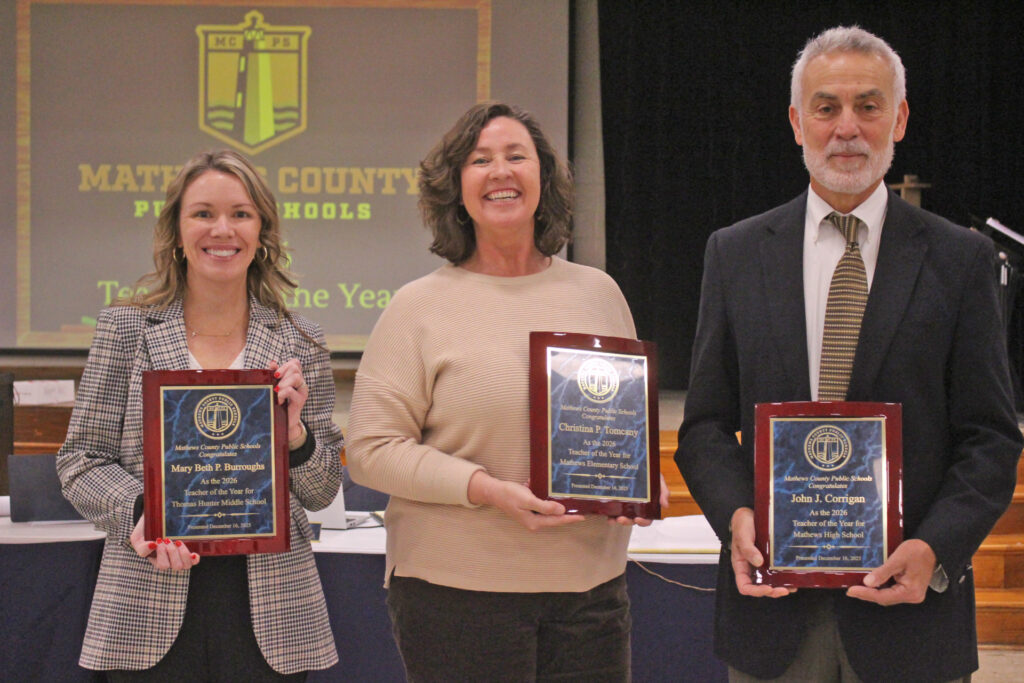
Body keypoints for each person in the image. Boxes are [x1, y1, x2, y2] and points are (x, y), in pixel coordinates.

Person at [676, 25, 1022, 683]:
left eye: (868, 105)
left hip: (911, 618)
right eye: (826, 106)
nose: (847, 127)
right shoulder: (735, 252)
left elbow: (991, 437)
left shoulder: (962, 260)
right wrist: (737, 517)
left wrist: (933, 549)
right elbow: (704, 427)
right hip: (773, 621)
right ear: (796, 121)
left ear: (900, 118)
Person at [346, 101, 667, 682]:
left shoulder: (599, 294)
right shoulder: (417, 306)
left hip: (590, 596)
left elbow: (623, 427)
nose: (501, 171)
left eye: (516, 156)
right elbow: (370, 450)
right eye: (480, 160)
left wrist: (641, 480)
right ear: (456, 189)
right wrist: (486, 490)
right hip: (456, 598)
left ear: (543, 178)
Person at [57, 149, 343, 680]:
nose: (222, 229)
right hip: (145, 602)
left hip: (272, 611)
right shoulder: (125, 330)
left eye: (240, 213)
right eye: (203, 213)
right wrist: (146, 513)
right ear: (177, 230)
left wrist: (296, 435)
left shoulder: (301, 340)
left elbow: (322, 490)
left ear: (262, 232)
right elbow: (80, 460)